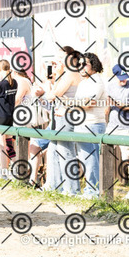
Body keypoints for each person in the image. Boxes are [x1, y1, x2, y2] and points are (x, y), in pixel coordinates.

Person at [34, 46, 82, 195]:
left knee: (65, 151)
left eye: (61, 57)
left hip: (67, 117)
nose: (58, 61)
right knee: (53, 150)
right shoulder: (64, 75)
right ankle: (54, 185)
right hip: (58, 117)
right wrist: (51, 80)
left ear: (70, 58)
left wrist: (46, 88)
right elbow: (53, 95)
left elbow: (53, 95)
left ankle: (72, 189)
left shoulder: (71, 73)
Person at [105, 64, 129, 200]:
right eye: (120, 78)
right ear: (115, 76)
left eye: (125, 77)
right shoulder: (110, 86)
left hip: (127, 128)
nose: (123, 80)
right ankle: (105, 188)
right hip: (112, 127)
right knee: (104, 155)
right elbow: (107, 108)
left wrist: (116, 104)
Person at [74, 52, 106, 199]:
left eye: (84, 64)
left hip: (93, 124)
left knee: (91, 160)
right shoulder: (83, 83)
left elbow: (89, 103)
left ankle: (93, 191)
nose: (81, 67)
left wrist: (72, 104)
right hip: (81, 124)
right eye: (79, 64)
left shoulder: (97, 81)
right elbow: (80, 103)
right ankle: (90, 189)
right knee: (85, 159)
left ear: (93, 65)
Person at [0, 59, 18, 179]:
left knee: (1, 145)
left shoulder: (0, 84)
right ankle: (16, 170)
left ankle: (3, 172)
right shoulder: (14, 82)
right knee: (9, 145)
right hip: (9, 116)